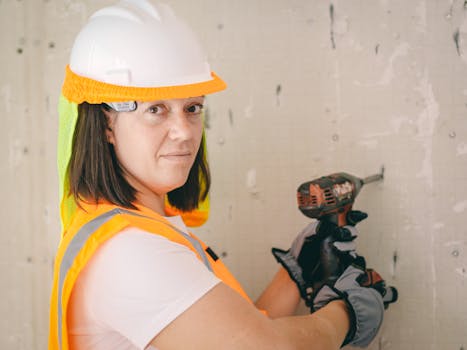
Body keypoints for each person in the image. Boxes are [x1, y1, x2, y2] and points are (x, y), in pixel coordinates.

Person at [48, 1, 390, 349]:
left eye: (192, 108)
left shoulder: (136, 228)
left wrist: (295, 274)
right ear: (105, 122)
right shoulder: (127, 251)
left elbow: (233, 333)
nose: (184, 131)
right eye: (156, 109)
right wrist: (347, 313)